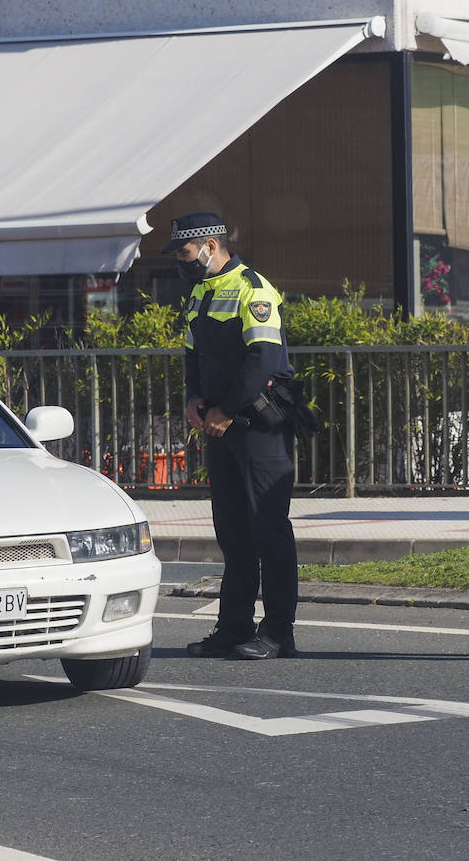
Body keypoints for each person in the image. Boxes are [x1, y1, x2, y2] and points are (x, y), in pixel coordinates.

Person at [165, 212, 301, 661]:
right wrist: (193, 398)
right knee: (233, 533)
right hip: (219, 427)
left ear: (209, 245)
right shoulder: (199, 292)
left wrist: (226, 409)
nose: (181, 263)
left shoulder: (253, 289)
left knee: (269, 531)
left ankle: (280, 632)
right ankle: (234, 626)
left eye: (185, 253)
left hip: (259, 426)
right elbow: (192, 355)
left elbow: (262, 360)